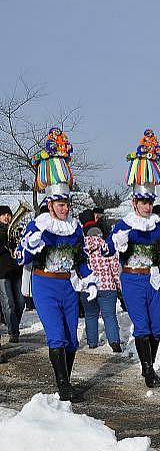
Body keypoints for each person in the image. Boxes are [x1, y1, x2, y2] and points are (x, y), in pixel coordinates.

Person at [16, 128, 98, 402]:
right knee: (56, 336)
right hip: (45, 283)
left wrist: (90, 279)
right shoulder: (38, 225)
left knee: (72, 340)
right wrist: (32, 245)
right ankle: (63, 386)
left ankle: (66, 378)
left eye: (67, 204)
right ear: (50, 204)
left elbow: (81, 258)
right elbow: (21, 255)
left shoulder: (75, 228)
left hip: (67, 285)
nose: (64, 208)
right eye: (60, 204)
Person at [105, 129, 160, 389]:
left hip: (154, 279)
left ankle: (148, 362)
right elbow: (108, 248)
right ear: (134, 202)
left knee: (157, 328)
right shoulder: (124, 224)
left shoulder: (158, 225)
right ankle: (148, 369)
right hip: (132, 279)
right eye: (142, 202)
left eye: (150, 202)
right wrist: (116, 243)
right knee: (141, 326)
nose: (147, 206)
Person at [81, 226, 123, 352]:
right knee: (109, 315)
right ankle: (114, 342)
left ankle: (92, 342)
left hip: (87, 287)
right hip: (107, 286)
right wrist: (118, 285)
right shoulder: (107, 247)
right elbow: (115, 269)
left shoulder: (81, 249)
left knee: (90, 315)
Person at [0, 205, 25, 344]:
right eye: (3, 215)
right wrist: (5, 244)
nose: (7, 217)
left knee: (20, 302)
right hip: (2, 273)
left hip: (16, 271)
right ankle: (13, 332)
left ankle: (13, 324)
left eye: (8, 215)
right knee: (8, 303)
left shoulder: (15, 230)